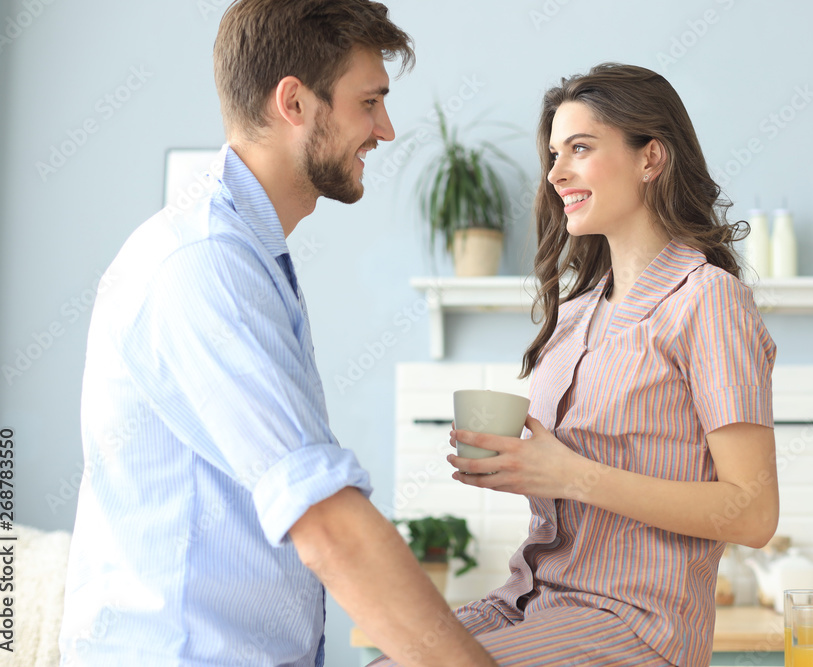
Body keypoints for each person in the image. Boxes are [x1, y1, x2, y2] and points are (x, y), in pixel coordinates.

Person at [58, 2, 497, 666]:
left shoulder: (245, 256)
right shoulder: (206, 265)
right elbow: (328, 524)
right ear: (294, 101)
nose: (385, 127)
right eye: (369, 101)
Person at [375, 63, 779, 667]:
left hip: (635, 625)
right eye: (554, 154)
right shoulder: (574, 314)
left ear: (651, 158)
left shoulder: (707, 299)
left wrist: (569, 475)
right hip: (529, 599)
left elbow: (751, 512)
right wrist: (519, 467)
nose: (557, 173)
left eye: (581, 149)